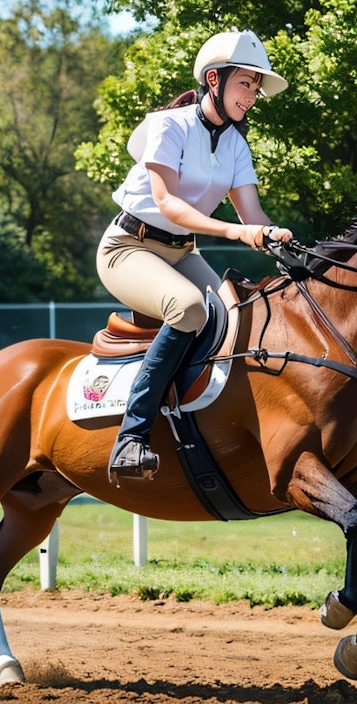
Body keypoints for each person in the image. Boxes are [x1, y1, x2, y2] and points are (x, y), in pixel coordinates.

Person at [97, 29, 294, 483]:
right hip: (127, 248)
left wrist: (278, 238)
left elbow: (253, 213)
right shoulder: (168, 126)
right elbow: (168, 204)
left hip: (180, 251)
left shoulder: (236, 146)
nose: (253, 96)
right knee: (188, 309)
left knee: (240, 314)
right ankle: (131, 437)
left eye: (256, 88)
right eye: (246, 83)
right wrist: (238, 231)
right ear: (213, 80)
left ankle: (197, 422)